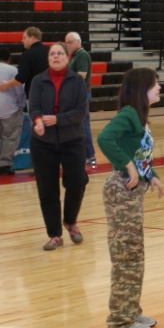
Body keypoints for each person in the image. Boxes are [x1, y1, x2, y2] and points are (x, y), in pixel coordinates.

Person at [97, 68, 164, 328]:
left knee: (134, 255)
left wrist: (151, 175)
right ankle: (119, 322)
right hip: (121, 191)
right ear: (142, 89)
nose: (159, 87)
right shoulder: (129, 114)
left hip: (132, 193)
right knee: (126, 256)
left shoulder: (140, 117)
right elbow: (104, 138)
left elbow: (139, 154)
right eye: (155, 83)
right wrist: (128, 166)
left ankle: (131, 311)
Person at [29, 42, 89, 250]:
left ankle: (70, 221)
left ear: (67, 57)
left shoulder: (77, 81)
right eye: (52, 54)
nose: (56, 56)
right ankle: (54, 235)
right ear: (48, 58)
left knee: (77, 182)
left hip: (72, 140)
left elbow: (81, 111)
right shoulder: (38, 80)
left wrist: (57, 119)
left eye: (59, 53)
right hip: (42, 143)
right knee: (47, 190)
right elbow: (33, 107)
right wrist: (37, 121)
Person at [65, 32, 96, 166]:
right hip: (77, 93)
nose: (67, 45)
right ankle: (84, 153)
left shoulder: (82, 55)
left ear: (78, 41)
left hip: (81, 94)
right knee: (80, 124)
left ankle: (89, 155)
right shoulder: (75, 55)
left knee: (83, 124)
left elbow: (81, 75)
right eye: (66, 42)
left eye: (70, 42)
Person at [0, 27, 49, 99]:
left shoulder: (27, 54)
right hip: (51, 92)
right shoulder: (50, 51)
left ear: (32, 38)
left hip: (34, 94)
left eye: (24, 38)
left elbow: (21, 78)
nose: (22, 40)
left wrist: (7, 84)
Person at [0, 47, 25, 176]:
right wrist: (21, 106)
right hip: (10, 109)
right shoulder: (13, 70)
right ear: (9, 58)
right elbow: (19, 91)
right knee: (10, 138)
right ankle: (3, 165)